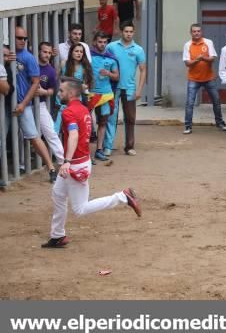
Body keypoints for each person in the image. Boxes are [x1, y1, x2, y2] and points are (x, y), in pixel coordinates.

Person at [41, 78, 141, 249]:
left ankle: (122, 197)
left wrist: (66, 161)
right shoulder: (82, 109)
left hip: (75, 163)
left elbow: (73, 135)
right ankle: (57, 235)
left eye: (61, 91)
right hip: (81, 160)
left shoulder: (68, 112)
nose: (59, 94)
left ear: (71, 93)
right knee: (58, 194)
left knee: (80, 209)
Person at [9, 27, 57, 181]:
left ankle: (51, 168)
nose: (22, 41)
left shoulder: (29, 58)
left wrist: (23, 103)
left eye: (25, 38)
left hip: (22, 103)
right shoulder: (6, 53)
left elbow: (36, 83)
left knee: (34, 137)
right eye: (19, 38)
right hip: (5, 103)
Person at [105, 22, 147, 156]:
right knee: (111, 117)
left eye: (131, 32)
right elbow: (105, 63)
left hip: (129, 89)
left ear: (133, 33)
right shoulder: (111, 47)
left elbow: (143, 70)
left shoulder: (138, 50)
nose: (128, 34)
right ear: (121, 31)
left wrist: (139, 90)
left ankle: (129, 147)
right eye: (126, 31)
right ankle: (108, 146)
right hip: (113, 87)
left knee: (130, 118)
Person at [182, 24, 226, 135]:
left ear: (201, 32)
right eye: (194, 31)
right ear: (191, 33)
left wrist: (204, 58)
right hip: (193, 78)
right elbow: (187, 63)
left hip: (208, 78)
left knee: (216, 101)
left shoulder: (208, 42)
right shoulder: (187, 45)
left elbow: (213, 58)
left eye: (198, 31)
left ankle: (220, 123)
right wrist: (197, 60)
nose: (196, 33)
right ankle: (188, 126)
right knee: (189, 103)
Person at [88, 33, 119, 162]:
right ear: (95, 42)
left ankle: (99, 150)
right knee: (86, 123)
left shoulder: (111, 58)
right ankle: (85, 153)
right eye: (100, 42)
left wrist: (108, 73)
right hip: (90, 94)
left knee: (103, 122)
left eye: (105, 42)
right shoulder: (88, 56)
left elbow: (117, 77)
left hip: (106, 95)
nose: (102, 44)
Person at [35, 42, 63, 165]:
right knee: (21, 135)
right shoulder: (32, 64)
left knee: (51, 132)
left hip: (40, 104)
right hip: (24, 104)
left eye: (49, 53)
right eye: (44, 52)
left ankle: (63, 162)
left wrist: (43, 91)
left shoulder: (51, 71)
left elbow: (52, 90)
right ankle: (21, 163)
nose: (47, 55)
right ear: (38, 51)